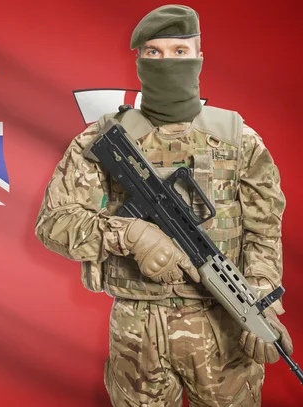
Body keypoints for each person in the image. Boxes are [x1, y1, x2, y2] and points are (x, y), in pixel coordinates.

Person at [35, 4, 294, 406]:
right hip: (136, 335)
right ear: (138, 59)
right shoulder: (104, 137)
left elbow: (264, 230)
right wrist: (131, 234)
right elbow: (54, 223)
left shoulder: (239, 139)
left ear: (199, 58)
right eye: (154, 52)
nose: (167, 61)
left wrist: (258, 304)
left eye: (179, 51)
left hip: (223, 334)